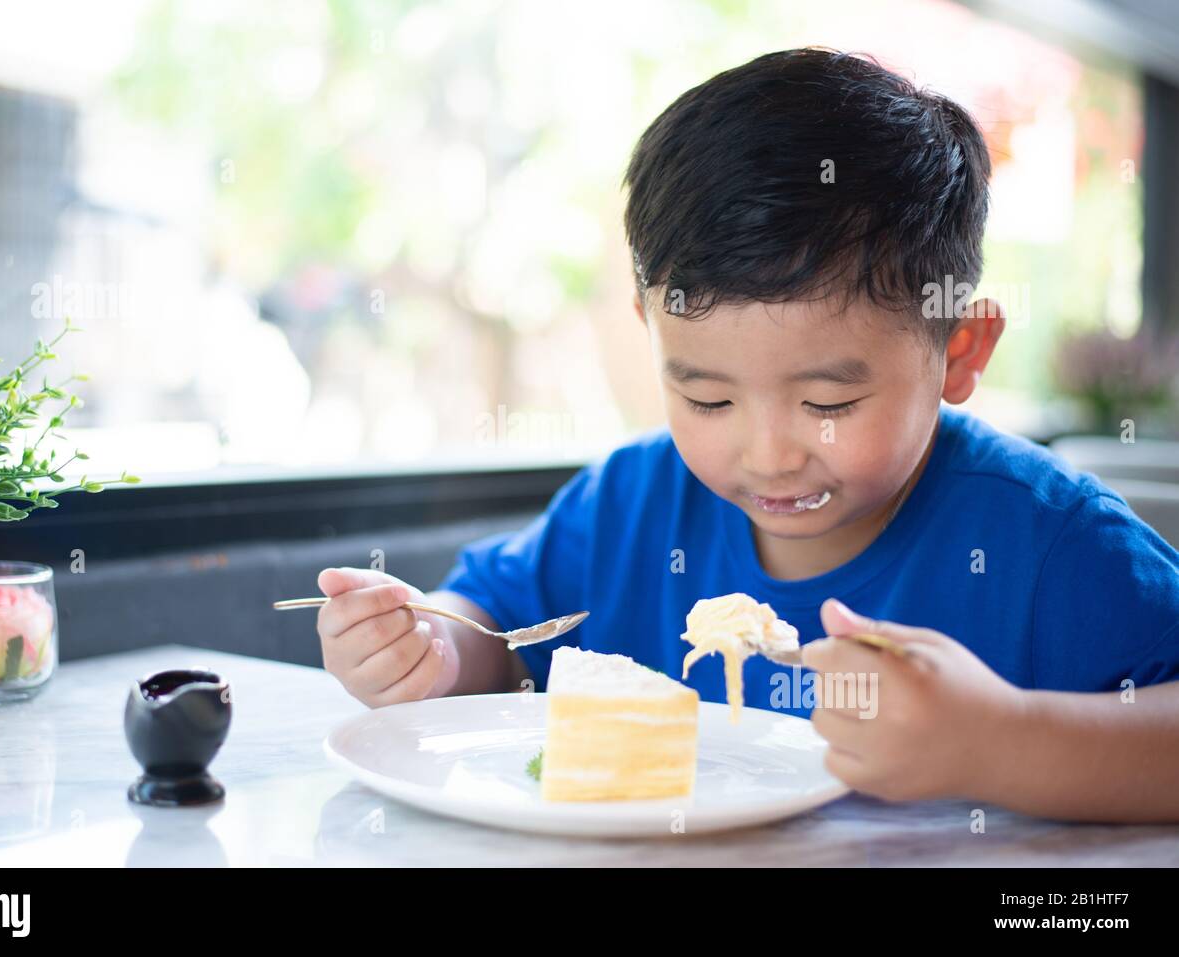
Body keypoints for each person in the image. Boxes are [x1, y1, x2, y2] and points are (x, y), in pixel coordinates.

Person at [316, 49, 1179, 823]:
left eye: (828, 403)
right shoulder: (629, 506)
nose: (767, 454)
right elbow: (496, 631)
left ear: (959, 348)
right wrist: (428, 652)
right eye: (709, 399)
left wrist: (999, 741)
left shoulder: (1050, 544)